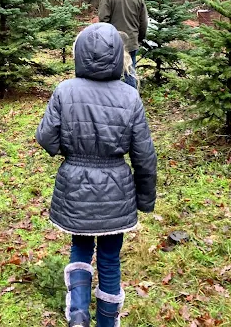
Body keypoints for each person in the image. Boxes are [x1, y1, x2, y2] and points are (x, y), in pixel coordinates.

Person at [36, 23, 157, 327]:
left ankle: (77, 313)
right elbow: (144, 156)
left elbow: (46, 138)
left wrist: (72, 150)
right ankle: (106, 322)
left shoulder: (65, 91)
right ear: (118, 55)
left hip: (75, 187)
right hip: (116, 192)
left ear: (80, 55)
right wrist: (145, 198)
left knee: (80, 246)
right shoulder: (130, 97)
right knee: (110, 259)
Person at [98, 0, 148, 87]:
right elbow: (144, 22)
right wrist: (139, 39)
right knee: (130, 72)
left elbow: (103, 20)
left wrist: (105, 39)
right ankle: (131, 101)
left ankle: (111, 100)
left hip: (111, 42)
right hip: (131, 42)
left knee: (110, 73)